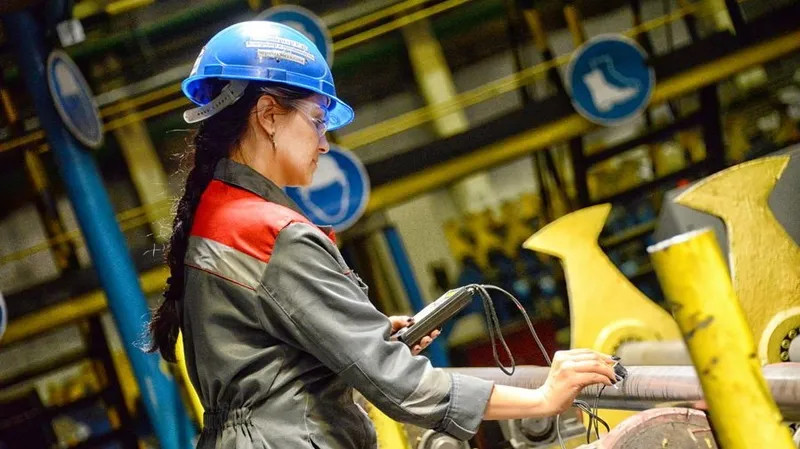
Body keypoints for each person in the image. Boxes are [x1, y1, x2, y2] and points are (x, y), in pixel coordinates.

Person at [147, 21, 617, 449]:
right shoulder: (271, 234)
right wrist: (542, 397)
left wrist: (353, 334)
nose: (324, 143)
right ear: (269, 114)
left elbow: (263, 364)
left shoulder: (217, 216)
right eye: (317, 121)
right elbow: (400, 386)